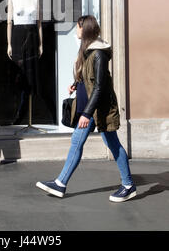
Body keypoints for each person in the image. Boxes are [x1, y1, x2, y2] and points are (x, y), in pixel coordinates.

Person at [36, 15, 137, 203]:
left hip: (97, 108)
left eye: (78, 27)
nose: (76, 30)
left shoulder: (98, 53)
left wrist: (87, 114)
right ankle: (62, 183)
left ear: (86, 29)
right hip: (88, 106)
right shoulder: (88, 50)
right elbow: (87, 74)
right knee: (84, 143)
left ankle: (128, 185)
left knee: (109, 144)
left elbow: (99, 86)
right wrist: (76, 83)